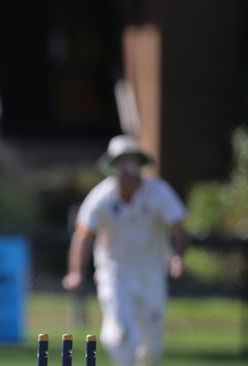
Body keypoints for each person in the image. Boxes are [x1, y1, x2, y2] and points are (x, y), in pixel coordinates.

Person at [62, 135, 188, 366]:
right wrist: (76, 272)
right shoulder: (102, 196)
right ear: (112, 166)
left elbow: (179, 227)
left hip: (151, 271)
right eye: (121, 163)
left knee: (151, 345)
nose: (126, 170)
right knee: (120, 333)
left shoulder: (158, 192)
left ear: (139, 164)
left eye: (131, 162)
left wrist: (178, 258)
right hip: (114, 272)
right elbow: (83, 235)